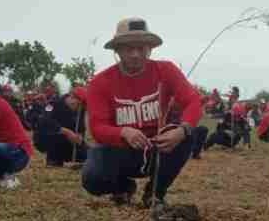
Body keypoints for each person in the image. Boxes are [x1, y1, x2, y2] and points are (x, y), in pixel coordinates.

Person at [82, 17, 202, 209]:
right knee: (92, 178)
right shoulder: (100, 82)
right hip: (119, 149)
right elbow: (97, 128)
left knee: (188, 135)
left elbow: (193, 101)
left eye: (142, 47)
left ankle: (155, 194)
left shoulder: (166, 70)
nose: (136, 54)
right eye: (129, 48)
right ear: (118, 50)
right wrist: (123, 132)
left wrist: (182, 130)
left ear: (150, 49)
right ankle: (123, 187)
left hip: (157, 147)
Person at [34, 87, 88, 166]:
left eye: (82, 106)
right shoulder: (53, 104)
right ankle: (53, 159)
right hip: (49, 138)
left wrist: (79, 137)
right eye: (78, 104)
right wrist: (66, 132)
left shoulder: (80, 109)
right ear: (72, 97)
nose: (79, 108)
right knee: (54, 135)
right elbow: (43, 122)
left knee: (88, 154)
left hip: (69, 141)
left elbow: (81, 127)